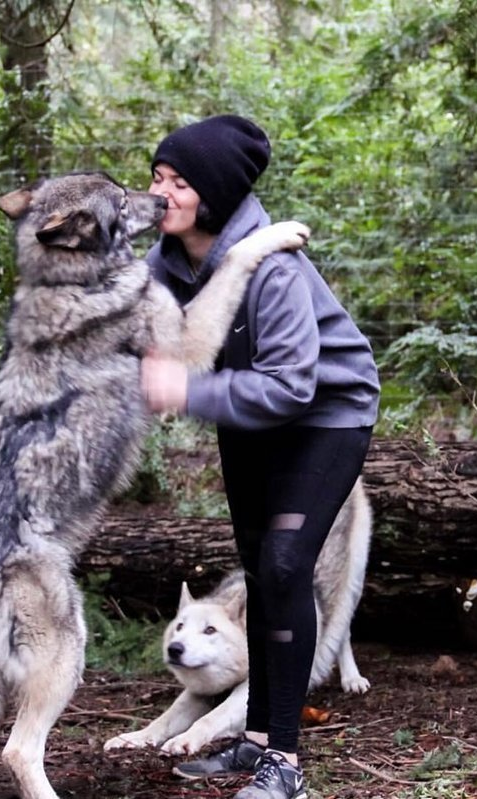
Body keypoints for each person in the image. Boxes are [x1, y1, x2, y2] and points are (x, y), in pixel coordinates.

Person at [140, 115, 380, 799]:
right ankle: (253, 741)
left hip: (326, 413)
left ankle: (286, 764)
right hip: (247, 415)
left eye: (179, 182)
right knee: (256, 570)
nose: (161, 193)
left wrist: (187, 387)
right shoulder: (167, 260)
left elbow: (291, 384)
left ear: (212, 193)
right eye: (157, 177)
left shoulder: (273, 268)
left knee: (283, 566)